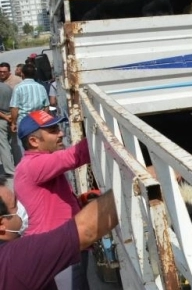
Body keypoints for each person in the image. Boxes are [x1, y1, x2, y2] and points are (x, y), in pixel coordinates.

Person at [14, 110, 91, 290]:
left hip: (62, 246)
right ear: (34, 141)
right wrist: (103, 132)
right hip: (58, 250)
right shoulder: (33, 165)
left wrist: (78, 203)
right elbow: (77, 155)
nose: (61, 133)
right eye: (53, 130)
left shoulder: (37, 164)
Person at [0, 176, 119, 290]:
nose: (22, 208)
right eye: (15, 205)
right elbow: (85, 231)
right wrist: (124, 191)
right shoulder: (16, 258)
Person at [10, 64, 49, 154]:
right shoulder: (41, 87)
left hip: (23, 121)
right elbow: (46, 107)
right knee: (39, 143)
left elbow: (14, 108)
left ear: (22, 74)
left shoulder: (18, 88)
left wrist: (13, 123)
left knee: (26, 146)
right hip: (38, 120)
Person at [0, 81, 13, 178]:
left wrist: (4, 117)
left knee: (3, 145)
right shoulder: (7, 87)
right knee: (13, 144)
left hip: (2, 118)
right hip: (10, 117)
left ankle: (10, 170)